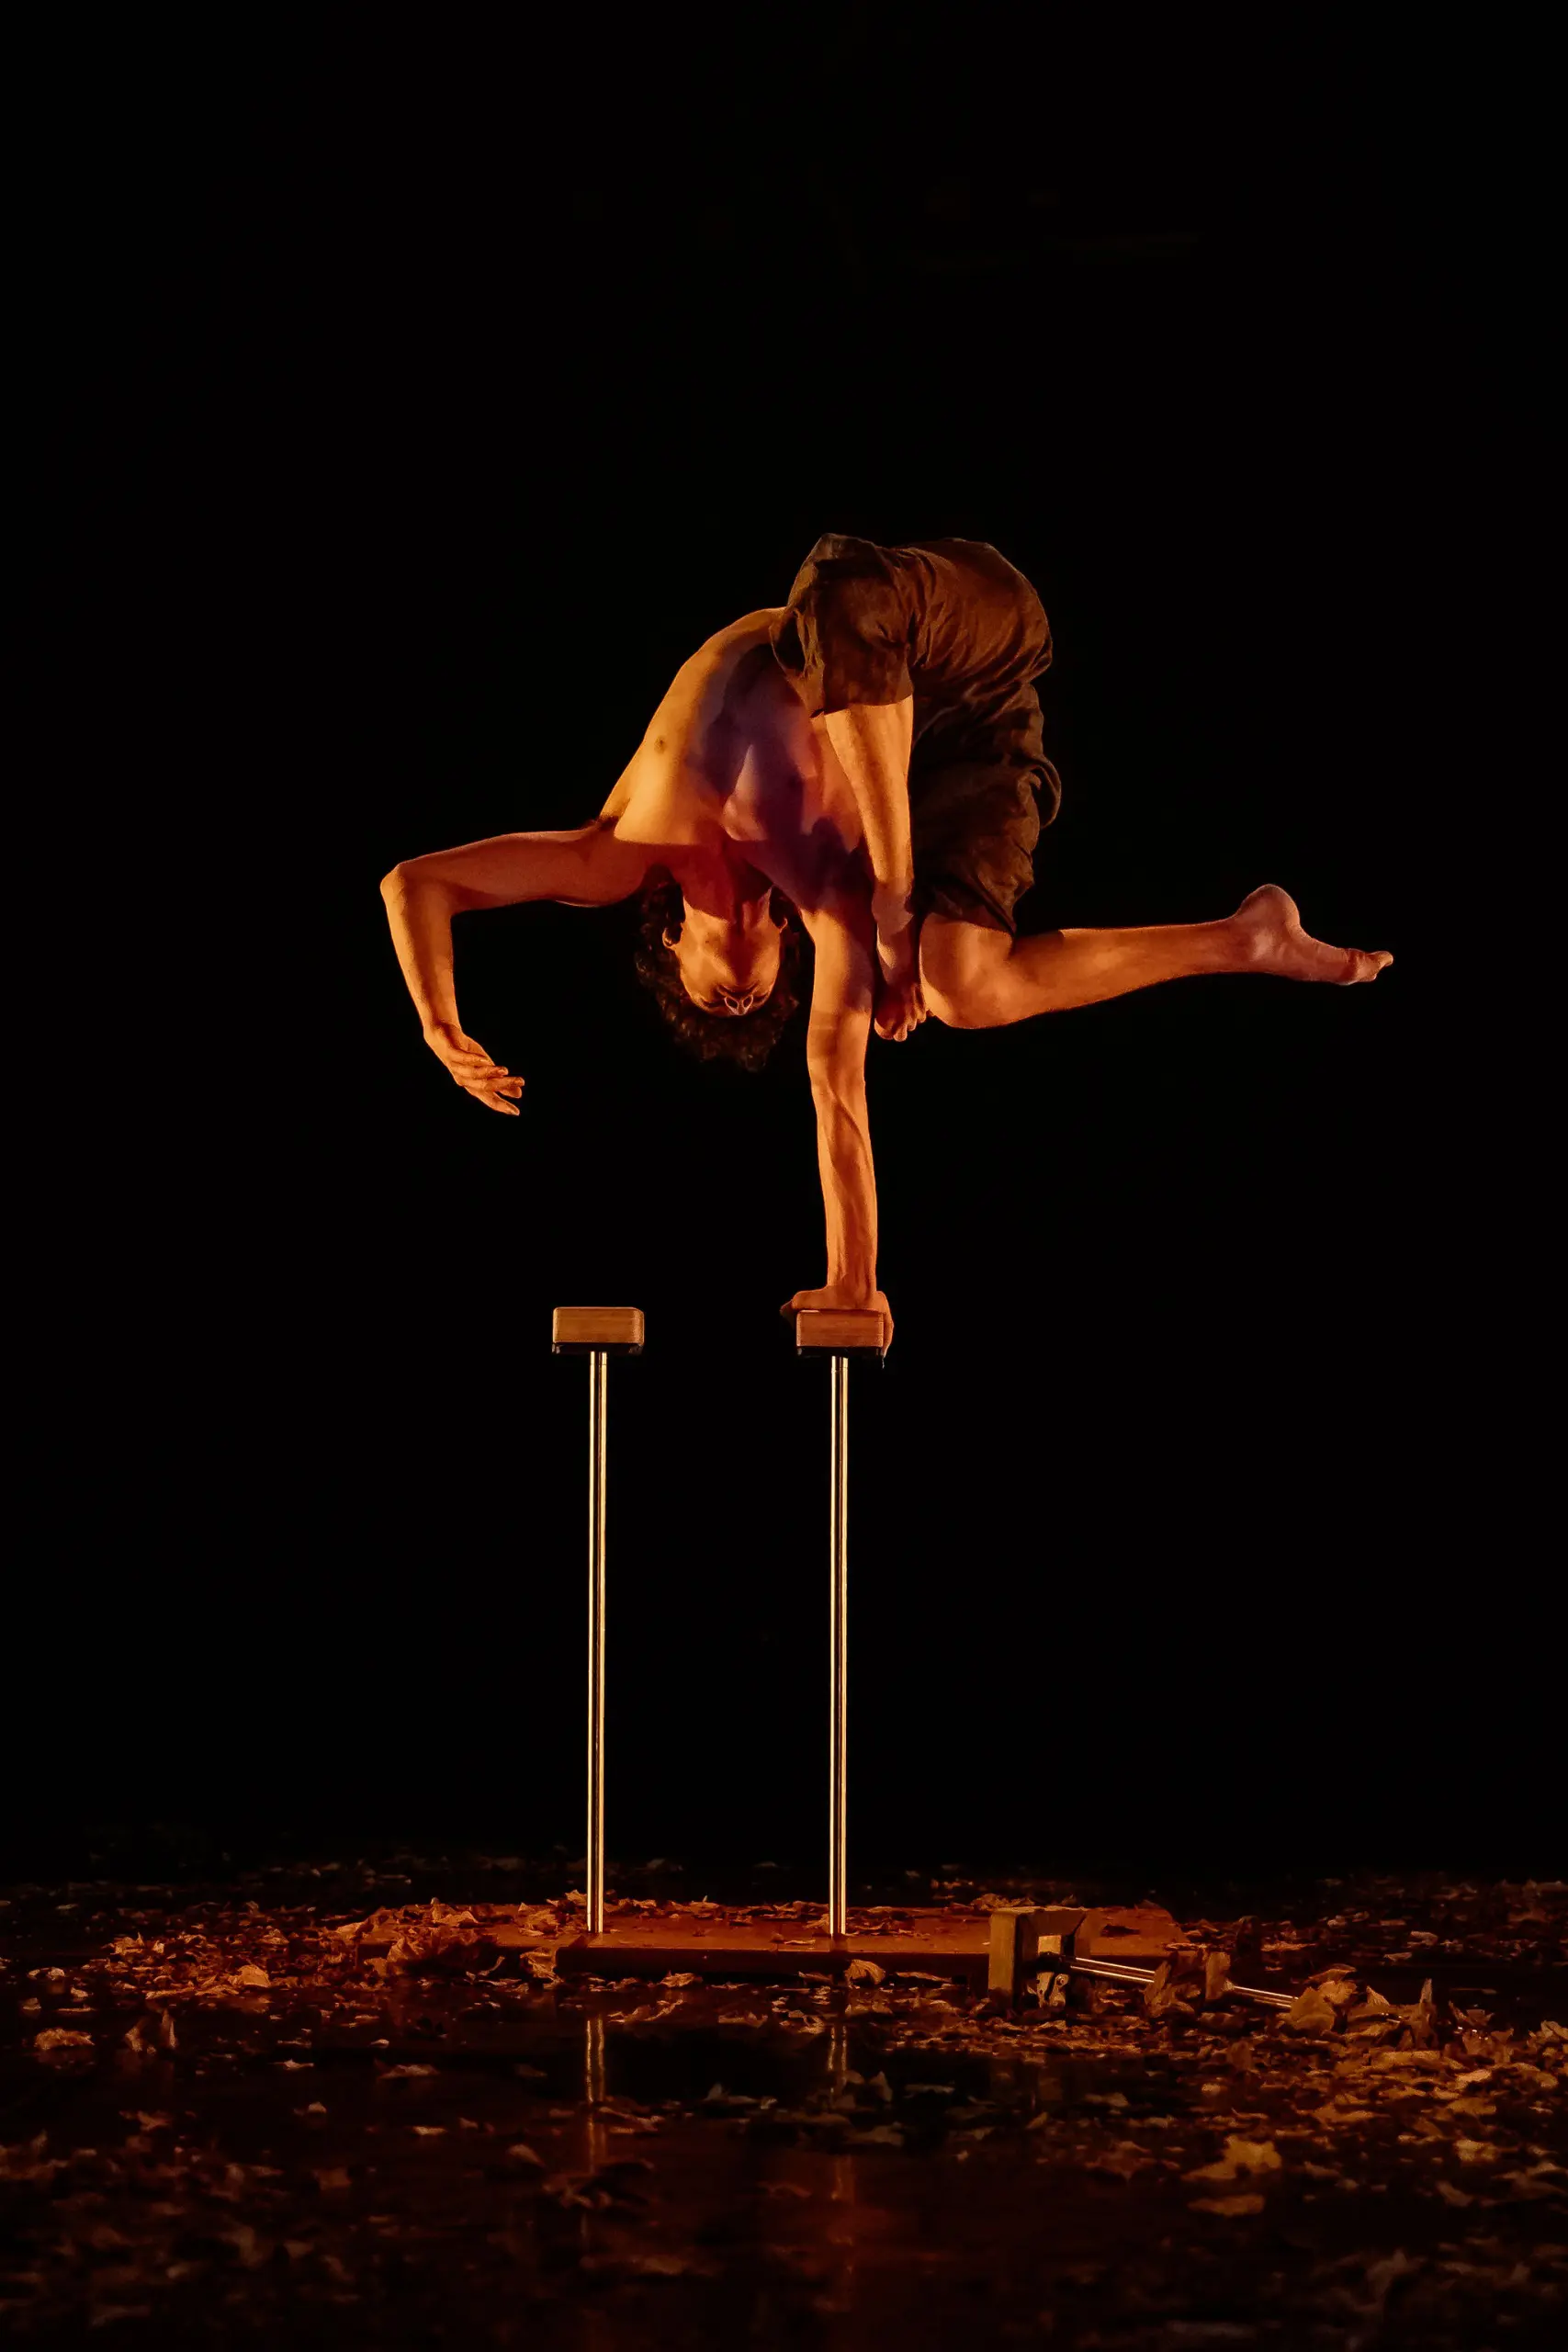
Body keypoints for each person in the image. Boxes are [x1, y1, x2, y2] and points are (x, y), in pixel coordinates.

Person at [380, 541, 1391, 1344]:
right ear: (782, 947)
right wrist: (853, 1281)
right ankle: (1245, 938)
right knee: (957, 988)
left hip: (915, 621)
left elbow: (418, 881)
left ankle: (904, 878)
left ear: (669, 944)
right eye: (751, 1002)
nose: (738, 995)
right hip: (980, 733)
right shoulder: (824, 898)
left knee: (838, 600)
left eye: (714, 998)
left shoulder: (618, 851)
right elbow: (838, 1096)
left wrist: (437, 1019)